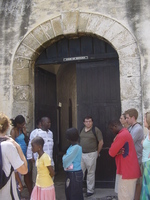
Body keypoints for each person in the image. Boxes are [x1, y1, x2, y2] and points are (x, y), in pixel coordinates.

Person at [109, 120, 141, 200]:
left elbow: (111, 152)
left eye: (111, 129)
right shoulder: (126, 132)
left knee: (125, 197)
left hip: (127, 171)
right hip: (128, 170)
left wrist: (114, 143)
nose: (112, 131)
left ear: (115, 126)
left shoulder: (121, 135)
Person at [0, 113, 28, 199]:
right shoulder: (7, 145)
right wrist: (18, 147)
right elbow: (24, 170)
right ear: (8, 126)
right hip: (5, 193)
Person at [80, 116, 103, 197]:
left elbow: (101, 142)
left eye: (89, 121)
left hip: (91, 154)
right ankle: (79, 188)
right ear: (84, 122)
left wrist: (97, 152)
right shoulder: (81, 130)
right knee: (80, 172)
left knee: (90, 173)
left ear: (92, 122)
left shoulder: (95, 130)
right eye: (86, 121)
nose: (88, 123)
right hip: (82, 154)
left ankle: (90, 190)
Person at [27, 117, 54, 185]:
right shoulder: (36, 133)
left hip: (49, 160)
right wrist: (30, 156)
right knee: (37, 181)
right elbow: (30, 145)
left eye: (50, 122)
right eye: (47, 122)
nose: (49, 124)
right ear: (42, 123)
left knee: (49, 180)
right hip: (38, 160)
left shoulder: (50, 133)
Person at [10, 115, 32, 196]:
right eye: (22, 124)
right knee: (18, 175)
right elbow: (12, 143)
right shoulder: (13, 131)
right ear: (17, 124)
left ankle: (31, 193)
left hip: (24, 153)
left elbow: (26, 139)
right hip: (18, 154)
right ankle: (18, 195)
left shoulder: (22, 130)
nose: (23, 125)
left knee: (27, 173)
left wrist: (25, 133)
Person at [125, 108, 144, 200]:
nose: (126, 120)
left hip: (137, 159)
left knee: (137, 183)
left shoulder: (138, 128)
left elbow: (128, 142)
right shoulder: (131, 127)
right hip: (132, 159)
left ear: (133, 117)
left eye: (128, 118)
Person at [62, 128, 84, 200]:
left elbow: (65, 161)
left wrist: (64, 156)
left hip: (74, 174)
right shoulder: (72, 147)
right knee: (70, 193)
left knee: (74, 194)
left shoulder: (76, 148)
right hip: (72, 173)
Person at [140, 112, 150, 199]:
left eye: (144, 119)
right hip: (146, 162)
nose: (143, 121)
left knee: (148, 187)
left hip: (148, 163)